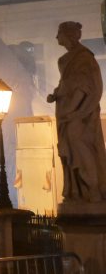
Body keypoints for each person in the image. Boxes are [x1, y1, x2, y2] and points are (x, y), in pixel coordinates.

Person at [48, 20, 106, 202]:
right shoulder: (67, 59)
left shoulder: (83, 58)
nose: (57, 37)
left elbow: (84, 86)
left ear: (69, 35)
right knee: (70, 147)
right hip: (68, 111)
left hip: (79, 114)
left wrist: (71, 111)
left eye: (60, 33)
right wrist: (57, 94)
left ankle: (92, 187)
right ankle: (78, 190)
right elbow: (67, 83)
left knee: (77, 144)